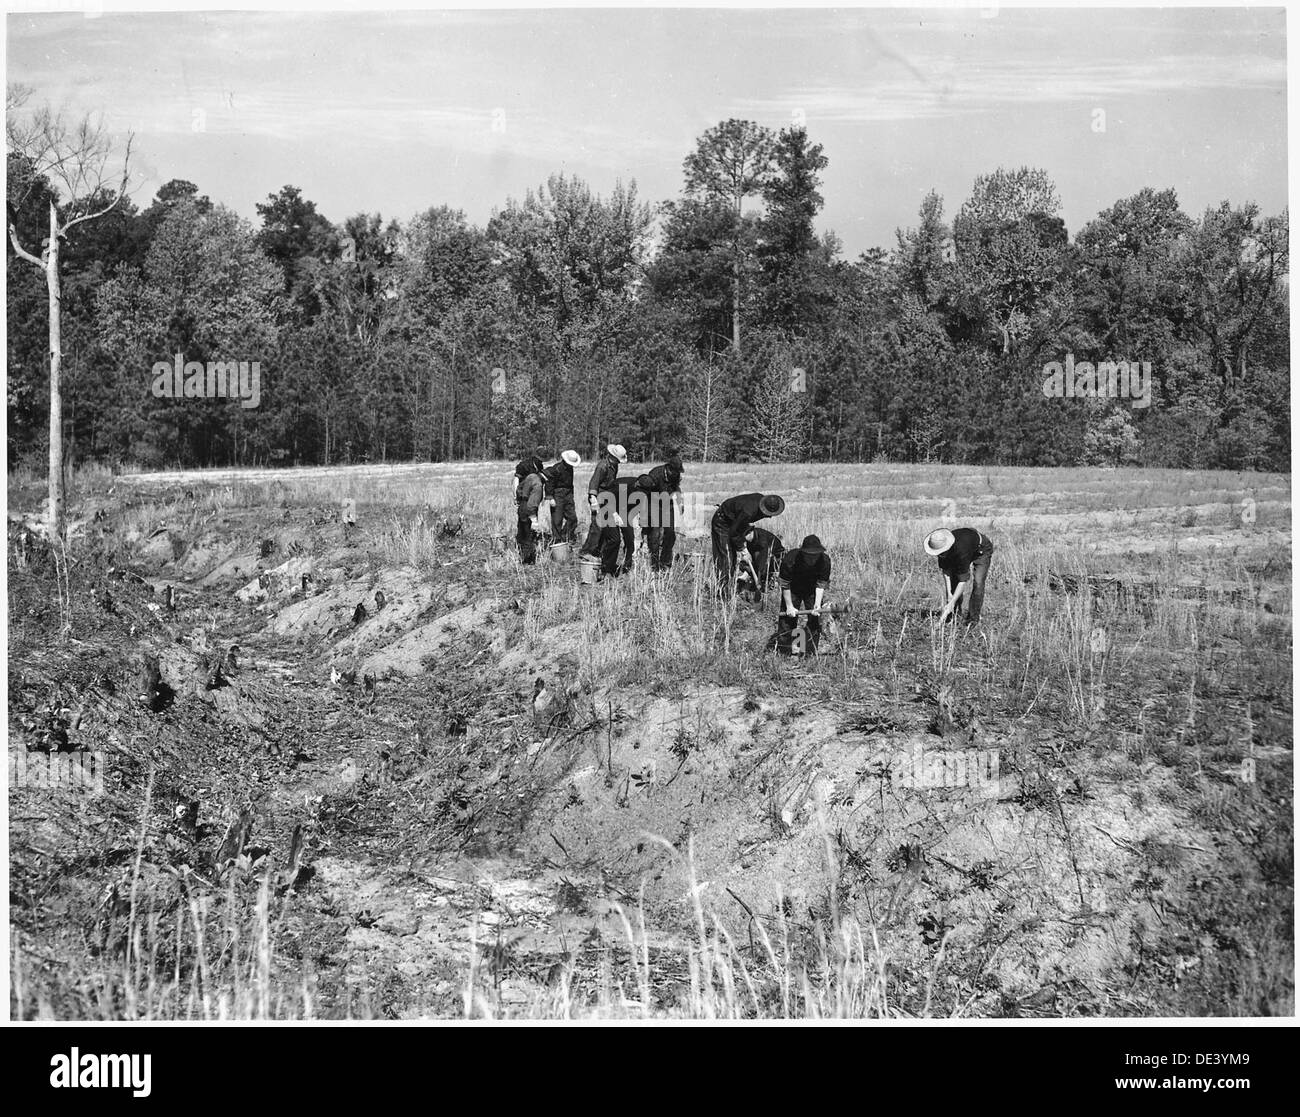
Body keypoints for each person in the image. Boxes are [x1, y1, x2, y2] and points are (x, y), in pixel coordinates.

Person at [711, 493, 785, 594]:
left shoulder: (761, 501)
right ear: (763, 509)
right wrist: (743, 550)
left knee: (731, 559)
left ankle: (730, 588)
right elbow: (734, 532)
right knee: (726, 558)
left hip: (734, 523)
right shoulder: (749, 512)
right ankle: (721, 593)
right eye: (769, 514)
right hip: (722, 523)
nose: (770, 516)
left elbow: (739, 526)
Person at [925, 527, 994, 625]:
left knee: (978, 582)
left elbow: (963, 581)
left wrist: (952, 601)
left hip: (981, 550)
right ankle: (955, 615)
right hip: (968, 543)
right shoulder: (941, 550)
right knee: (954, 580)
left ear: (947, 547)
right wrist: (949, 594)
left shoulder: (961, 551)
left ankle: (973, 619)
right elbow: (946, 571)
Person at [775, 535, 831, 655]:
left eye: (815, 555)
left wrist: (817, 605)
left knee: (815, 618)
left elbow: (821, 584)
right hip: (793, 588)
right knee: (787, 618)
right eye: (809, 555)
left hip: (812, 589)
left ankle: (809, 650)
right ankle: (785, 651)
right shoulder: (790, 559)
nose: (812, 559)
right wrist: (789, 606)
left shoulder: (825, 561)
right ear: (803, 552)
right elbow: (785, 584)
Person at [599, 473, 651, 577]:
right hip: (608, 509)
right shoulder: (621, 486)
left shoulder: (646, 489)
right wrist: (614, 514)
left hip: (625, 511)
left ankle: (627, 569)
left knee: (631, 539)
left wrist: (643, 533)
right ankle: (607, 569)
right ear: (637, 485)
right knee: (614, 539)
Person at [580, 443, 627, 559]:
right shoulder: (602, 466)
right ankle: (586, 552)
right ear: (613, 457)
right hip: (597, 497)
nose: (619, 462)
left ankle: (598, 550)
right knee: (597, 526)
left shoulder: (614, 466)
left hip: (607, 497)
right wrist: (593, 499)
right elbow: (594, 483)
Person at [642, 453, 683, 572]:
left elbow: (677, 488)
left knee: (670, 534)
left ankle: (665, 563)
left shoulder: (676, 475)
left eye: (678, 472)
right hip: (653, 504)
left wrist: (680, 502)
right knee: (654, 534)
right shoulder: (655, 473)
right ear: (669, 469)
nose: (677, 474)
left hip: (667, 504)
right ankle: (654, 566)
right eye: (675, 471)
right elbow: (644, 492)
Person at [544, 449, 582, 543]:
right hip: (557, 494)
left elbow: (570, 483)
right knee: (557, 520)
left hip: (568, 494)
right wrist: (550, 497)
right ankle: (557, 541)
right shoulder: (556, 469)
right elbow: (549, 483)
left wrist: (571, 495)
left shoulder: (570, 469)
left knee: (572, 518)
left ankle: (566, 537)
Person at [515, 462, 546, 565]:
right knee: (529, 534)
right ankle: (528, 560)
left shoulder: (530, 476)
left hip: (522, 506)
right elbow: (532, 506)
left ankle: (520, 555)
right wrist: (534, 520)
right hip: (528, 509)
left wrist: (519, 499)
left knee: (522, 532)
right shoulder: (538, 486)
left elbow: (519, 488)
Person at [741, 525, 785, 595]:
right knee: (743, 565)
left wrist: (758, 580)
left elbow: (762, 563)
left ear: (750, 532)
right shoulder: (751, 540)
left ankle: (767, 582)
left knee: (762, 570)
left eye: (745, 536)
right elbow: (752, 556)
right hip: (763, 557)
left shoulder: (762, 541)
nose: (744, 539)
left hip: (777, 559)